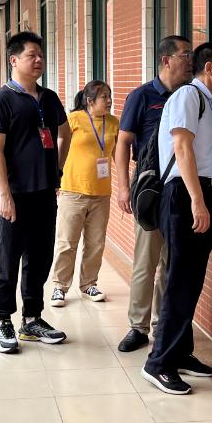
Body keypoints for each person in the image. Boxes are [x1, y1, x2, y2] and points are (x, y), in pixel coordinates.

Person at [141, 42, 212, 396]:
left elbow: (196, 156)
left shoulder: (204, 100)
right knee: (181, 281)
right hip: (183, 197)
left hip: (195, 192)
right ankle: (158, 363)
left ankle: (180, 353)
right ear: (209, 68)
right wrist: (198, 202)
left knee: (190, 279)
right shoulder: (189, 96)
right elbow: (181, 148)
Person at [0, 31, 71, 353]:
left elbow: (65, 133)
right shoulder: (1, 101)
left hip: (45, 193)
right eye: (31, 55)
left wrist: (56, 170)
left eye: (41, 55)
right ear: (13, 60)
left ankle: (32, 318)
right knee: (8, 258)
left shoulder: (49, 98)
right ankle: (2, 320)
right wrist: (4, 195)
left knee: (40, 257)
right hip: (15, 195)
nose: (38, 60)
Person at [115, 35, 193, 353]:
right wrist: (122, 187)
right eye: (185, 55)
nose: (190, 61)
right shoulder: (142, 96)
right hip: (149, 187)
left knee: (171, 260)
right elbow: (122, 143)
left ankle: (163, 326)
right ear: (166, 60)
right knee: (146, 260)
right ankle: (138, 326)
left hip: (179, 188)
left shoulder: (189, 96)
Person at [50, 80, 119, 306]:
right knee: (67, 242)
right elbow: (58, 146)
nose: (109, 101)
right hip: (73, 190)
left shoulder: (113, 123)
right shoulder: (73, 119)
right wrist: (55, 177)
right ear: (90, 101)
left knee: (95, 243)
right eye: (104, 97)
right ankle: (59, 286)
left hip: (101, 193)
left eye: (109, 96)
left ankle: (89, 284)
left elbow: (118, 155)